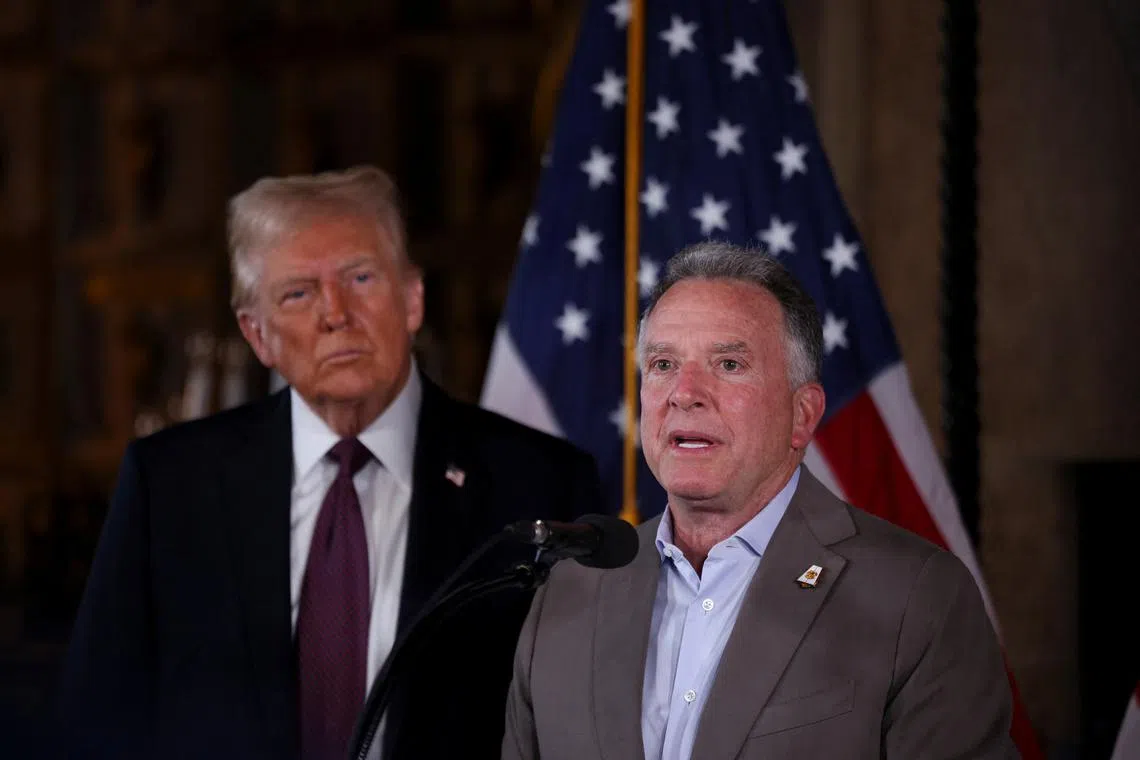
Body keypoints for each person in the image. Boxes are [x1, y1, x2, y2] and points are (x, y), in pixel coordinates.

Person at [57, 166, 606, 760]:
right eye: (298, 292)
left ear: (412, 299)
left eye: (361, 278)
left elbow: (578, 726)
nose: (335, 313)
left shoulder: (540, 482)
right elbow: (99, 723)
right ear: (257, 334)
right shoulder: (169, 485)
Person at [502, 242, 1017, 760]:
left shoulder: (917, 598)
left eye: (728, 363)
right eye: (662, 364)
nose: (685, 392)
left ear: (803, 414)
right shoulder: (569, 592)